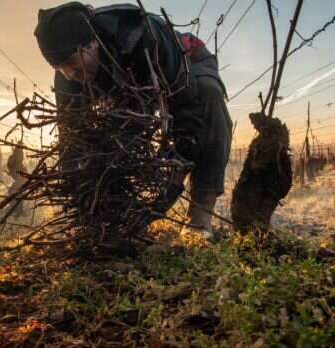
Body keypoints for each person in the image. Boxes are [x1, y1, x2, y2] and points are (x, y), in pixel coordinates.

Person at [34, 2, 232, 240]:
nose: (69, 74)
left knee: (208, 98)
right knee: (116, 136)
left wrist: (169, 190)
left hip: (186, 64)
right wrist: (80, 200)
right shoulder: (68, 76)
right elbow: (72, 137)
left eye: (72, 64)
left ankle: (200, 221)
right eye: (59, 68)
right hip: (130, 88)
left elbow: (187, 113)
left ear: (93, 41)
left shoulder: (141, 36)